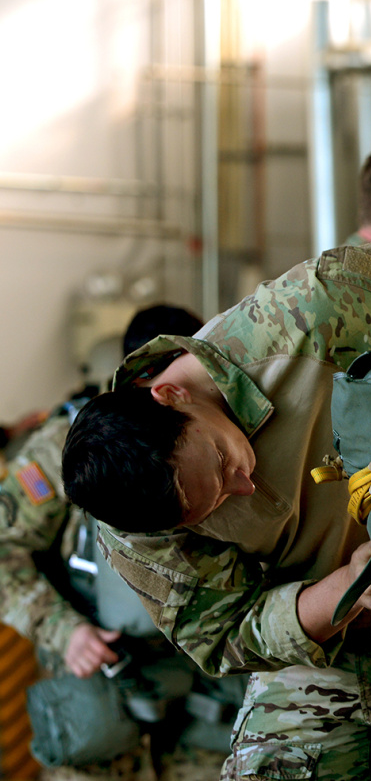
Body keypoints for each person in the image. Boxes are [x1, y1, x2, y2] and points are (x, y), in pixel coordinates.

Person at [61, 225, 371, 781]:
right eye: (211, 508)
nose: (242, 487)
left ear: (171, 394)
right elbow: (225, 633)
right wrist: (343, 592)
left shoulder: (301, 318)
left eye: (221, 460)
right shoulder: (133, 525)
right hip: (324, 655)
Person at [0, 304, 241, 781]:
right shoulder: (66, 450)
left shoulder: (226, 441)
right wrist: (65, 632)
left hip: (202, 708)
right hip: (101, 694)